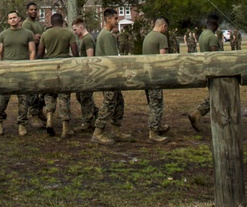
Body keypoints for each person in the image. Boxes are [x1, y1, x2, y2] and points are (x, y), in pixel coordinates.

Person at [92, 8, 132, 145]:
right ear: (108, 19)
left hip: (109, 75)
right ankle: (98, 132)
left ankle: (116, 130)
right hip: (109, 76)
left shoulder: (105, 34)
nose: (117, 20)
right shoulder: (107, 36)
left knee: (118, 101)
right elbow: (112, 59)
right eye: (115, 18)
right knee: (108, 103)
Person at [0, 10, 36, 137]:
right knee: (2, 100)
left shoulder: (28, 34)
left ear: (19, 19)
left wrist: (30, 66)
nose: (12, 19)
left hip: (23, 71)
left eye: (14, 17)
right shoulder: (3, 34)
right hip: (7, 71)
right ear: (8, 21)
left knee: (24, 99)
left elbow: (32, 51)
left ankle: (22, 124)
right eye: (10, 18)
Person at [37, 13, 79, 138]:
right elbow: (76, 53)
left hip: (50, 66)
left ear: (51, 22)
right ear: (62, 22)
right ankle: (65, 127)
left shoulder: (45, 34)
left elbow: (40, 53)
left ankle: (49, 118)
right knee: (64, 96)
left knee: (50, 94)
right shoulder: (69, 34)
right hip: (64, 66)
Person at [187, 13, 222, 132]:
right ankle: (198, 113)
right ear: (215, 24)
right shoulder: (212, 37)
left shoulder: (202, 35)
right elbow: (215, 56)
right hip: (214, 71)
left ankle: (201, 114)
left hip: (206, 69)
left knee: (216, 95)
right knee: (218, 95)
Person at [141, 17, 172, 144]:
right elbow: (162, 58)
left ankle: (157, 126)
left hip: (146, 76)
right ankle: (153, 132)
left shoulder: (147, 37)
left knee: (152, 102)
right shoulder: (161, 38)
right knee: (157, 104)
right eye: (167, 28)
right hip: (156, 76)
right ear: (163, 26)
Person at [20, 2, 46, 127]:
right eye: (31, 9)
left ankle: (40, 110)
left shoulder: (38, 24)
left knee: (42, 88)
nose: (34, 11)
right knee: (33, 88)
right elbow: (32, 39)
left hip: (40, 57)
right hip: (32, 57)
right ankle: (33, 114)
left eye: (35, 9)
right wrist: (39, 38)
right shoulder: (26, 24)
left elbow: (42, 38)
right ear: (27, 11)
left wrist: (40, 37)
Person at [71, 18, 98, 132]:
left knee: (85, 97)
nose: (74, 32)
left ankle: (88, 121)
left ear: (81, 27)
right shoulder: (85, 39)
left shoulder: (88, 39)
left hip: (86, 74)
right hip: (82, 74)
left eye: (75, 29)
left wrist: (88, 74)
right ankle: (95, 114)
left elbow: (89, 58)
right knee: (80, 96)